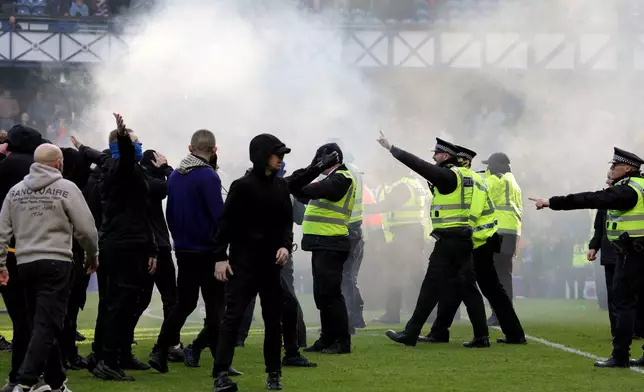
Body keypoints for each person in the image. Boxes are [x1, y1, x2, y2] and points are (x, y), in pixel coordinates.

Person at [530, 147, 644, 368]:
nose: (610, 169)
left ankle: (620, 355)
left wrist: (551, 202)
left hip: (632, 254)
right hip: (637, 252)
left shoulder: (627, 191)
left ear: (627, 168)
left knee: (624, 305)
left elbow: (590, 199)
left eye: (614, 165)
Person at [0, 143, 99, 392]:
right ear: (58, 163)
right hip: (56, 262)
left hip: (24, 264)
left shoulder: (15, 192)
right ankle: (24, 381)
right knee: (49, 323)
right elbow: (86, 230)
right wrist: (92, 255)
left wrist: (1, 263)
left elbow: (2, 232)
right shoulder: (66, 188)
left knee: (43, 322)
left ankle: (55, 383)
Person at [377, 133, 489, 348]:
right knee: (467, 288)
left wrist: (392, 148)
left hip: (450, 241)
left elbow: (417, 164)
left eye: (436, 154)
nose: (433, 158)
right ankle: (480, 336)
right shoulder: (465, 177)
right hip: (463, 238)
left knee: (431, 286)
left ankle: (411, 333)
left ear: (445, 156)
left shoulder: (448, 176)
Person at [148, 129, 235, 377]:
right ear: (214, 150)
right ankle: (220, 361)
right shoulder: (209, 177)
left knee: (184, 304)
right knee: (217, 307)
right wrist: (223, 251)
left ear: (190, 148)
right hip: (208, 250)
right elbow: (219, 216)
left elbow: (171, 213)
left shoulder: (175, 175)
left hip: (184, 249)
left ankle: (160, 349)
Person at [212, 134, 295, 391]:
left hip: (271, 266)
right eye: (277, 154)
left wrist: (285, 245)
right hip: (244, 263)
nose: (281, 159)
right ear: (262, 156)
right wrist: (220, 258)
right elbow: (224, 224)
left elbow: (286, 223)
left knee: (273, 320)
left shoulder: (281, 187)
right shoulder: (242, 186)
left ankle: (274, 374)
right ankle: (221, 374)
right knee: (233, 318)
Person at [423, 145, 526, 345]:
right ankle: (513, 333)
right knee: (481, 284)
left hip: (480, 237)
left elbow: (474, 203)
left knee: (472, 283)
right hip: (503, 233)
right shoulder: (512, 182)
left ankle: (447, 331)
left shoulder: (483, 180)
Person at [91, 114, 158, 381]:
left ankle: (109, 355)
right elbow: (127, 160)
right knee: (118, 303)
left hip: (127, 243)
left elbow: (143, 215)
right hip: (123, 246)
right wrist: (122, 136)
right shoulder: (121, 170)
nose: (141, 146)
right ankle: (107, 359)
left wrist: (151, 247)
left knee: (116, 303)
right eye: (136, 143)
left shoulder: (121, 170)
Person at [288, 143, 356, 355]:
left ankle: (341, 341)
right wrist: (312, 169)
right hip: (322, 243)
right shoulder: (330, 177)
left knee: (331, 295)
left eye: (319, 160)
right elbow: (296, 189)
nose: (317, 164)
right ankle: (327, 338)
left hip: (332, 242)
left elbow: (308, 190)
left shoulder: (342, 177)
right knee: (322, 295)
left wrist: (309, 175)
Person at [0, 125, 43, 392]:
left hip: (8, 251)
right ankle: (31, 375)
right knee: (38, 319)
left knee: (20, 319)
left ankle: (18, 376)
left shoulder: (3, 168)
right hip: (40, 250)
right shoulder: (44, 171)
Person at [480, 152, 522, 326]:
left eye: (488, 165)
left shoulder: (495, 181)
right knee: (504, 273)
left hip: (497, 231)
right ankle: (505, 313)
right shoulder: (514, 183)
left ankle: (499, 313)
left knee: (495, 275)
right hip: (511, 231)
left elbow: (479, 190)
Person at [588, 175, 618, 337]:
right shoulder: (605, 200)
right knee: (613, 295)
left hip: (631, 252)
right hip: (609, 253)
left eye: (610, 178)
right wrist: (594, 246)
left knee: (630, 295)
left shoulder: (632, 194)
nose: (607, 181)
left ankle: (636, 328)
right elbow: (599, 228)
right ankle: (617, 331)